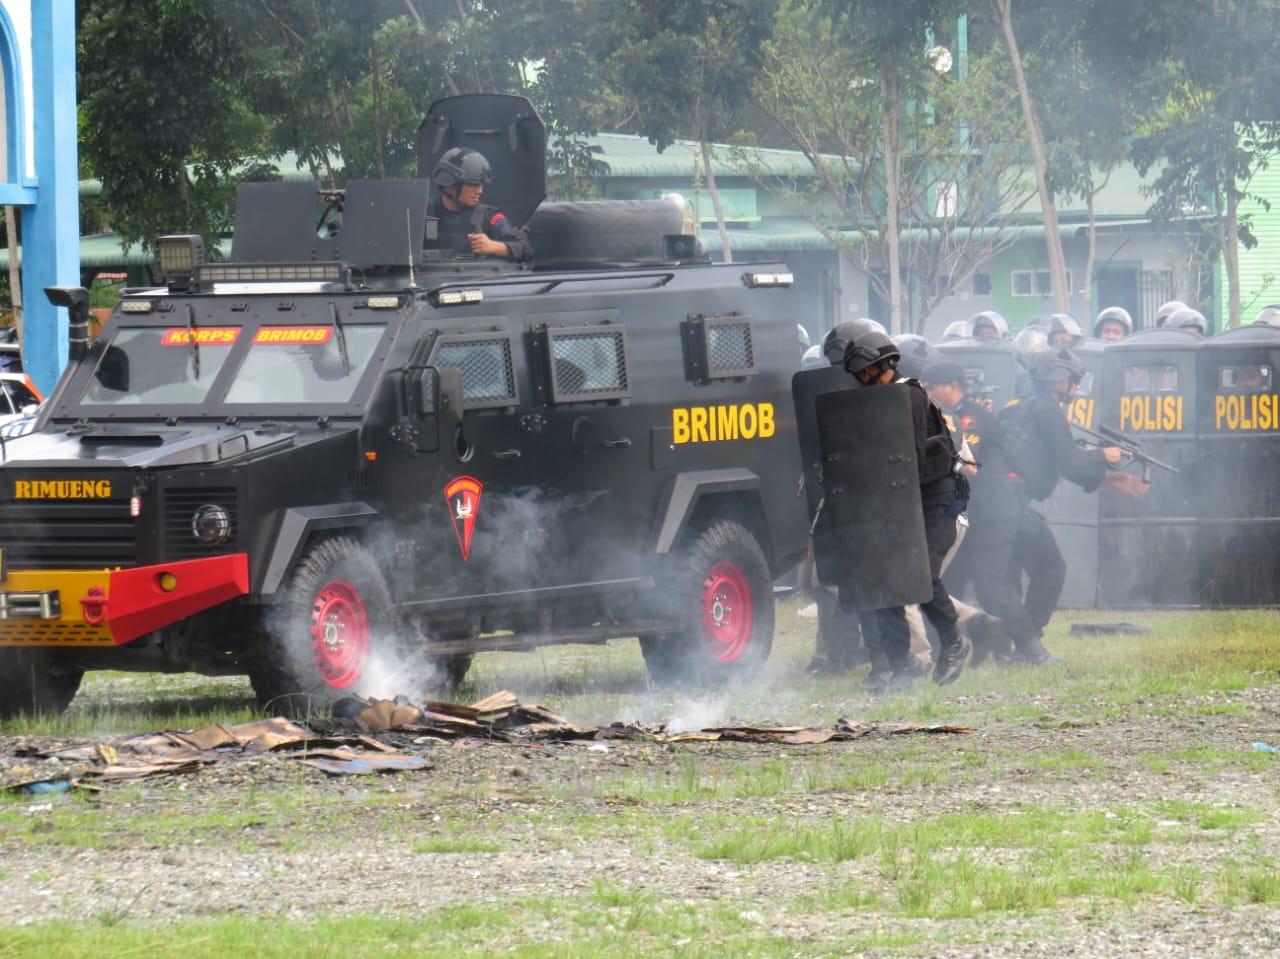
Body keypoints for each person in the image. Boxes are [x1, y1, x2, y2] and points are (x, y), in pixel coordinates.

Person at [972, 350, 1148, 665]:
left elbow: (1047, 460)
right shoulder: (1046, 410)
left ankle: (1006, 649)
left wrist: (1109, 477)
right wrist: (1103, 456)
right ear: (1057, 380)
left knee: (1009, 577)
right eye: (1074, 380)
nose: (1077, 387)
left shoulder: (1018, 406)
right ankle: (1029, 646)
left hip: (996, 503)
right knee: (1049, 569)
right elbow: (1071, 464)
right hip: (1008, 506)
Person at [842, 331, 970, 686]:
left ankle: (955, 641)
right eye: (858, 373)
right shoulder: (877, 400)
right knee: (888, 581)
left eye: (866, 370)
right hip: (899, 499)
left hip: (935, 500)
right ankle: (899, 666)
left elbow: (906, 454)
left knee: (920, 578)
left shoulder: (908, 395)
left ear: (886, 365)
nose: (862, 378)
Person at [428, 147, 533, 263]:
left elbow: (525, 248)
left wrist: (494, 246)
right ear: (450, 186)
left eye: (481, 185)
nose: (480, 191)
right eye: (474, 184)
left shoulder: (492, 217)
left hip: (476, 280)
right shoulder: (424, 212)